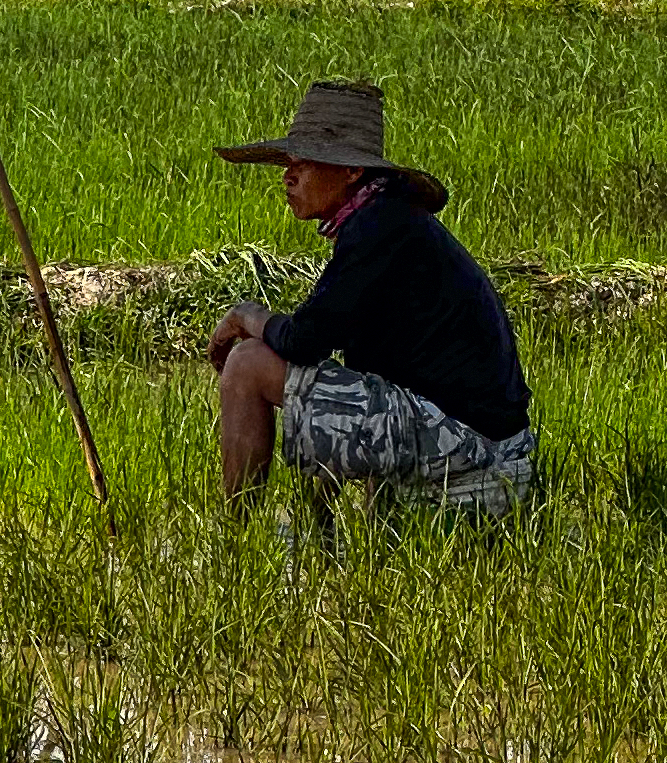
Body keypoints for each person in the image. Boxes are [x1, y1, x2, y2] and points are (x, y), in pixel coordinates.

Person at [208, 79, 532, 513]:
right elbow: (356, 372)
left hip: (470, 443)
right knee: (330, 383)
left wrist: (248, 316)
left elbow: (305, 340)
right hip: (471, 433)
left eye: (306, 163)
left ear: (351, 171)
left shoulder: (379, 228)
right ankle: (317, 528)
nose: (289, 177)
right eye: (289, 162)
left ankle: (235, 539)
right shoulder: (387, 220)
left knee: (248, 363)